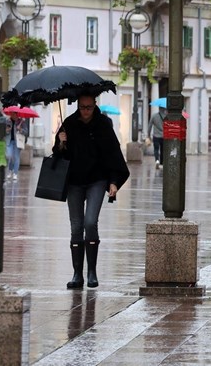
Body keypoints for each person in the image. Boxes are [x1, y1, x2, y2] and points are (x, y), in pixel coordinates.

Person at [54, 95, 129, 289]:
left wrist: (113, 182)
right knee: (76, 226)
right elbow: (59, 156)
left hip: (97, 180)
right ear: (78, 106)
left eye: (89, 107)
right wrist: (61, 142)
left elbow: (113, 154)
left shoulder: (103, 124)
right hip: (74, 182)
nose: (85, 111)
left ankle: (92, 272)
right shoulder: (69, 123)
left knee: (90, 222)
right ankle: (77, 274)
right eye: (82, 107)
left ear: (95, 105)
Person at [5, 111, 28, 181]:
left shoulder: (21, 122)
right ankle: (10, 170)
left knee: (16, 157)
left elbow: (26, 132)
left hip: (18, 142)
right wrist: (7, 130)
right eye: (11, 114)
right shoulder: (7, 121)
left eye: (13, 114)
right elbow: (4, 131)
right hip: (9, 141)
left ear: (16, 114)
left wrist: (20, 129)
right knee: (9, 156)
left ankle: (15, 173)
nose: (12, 115)